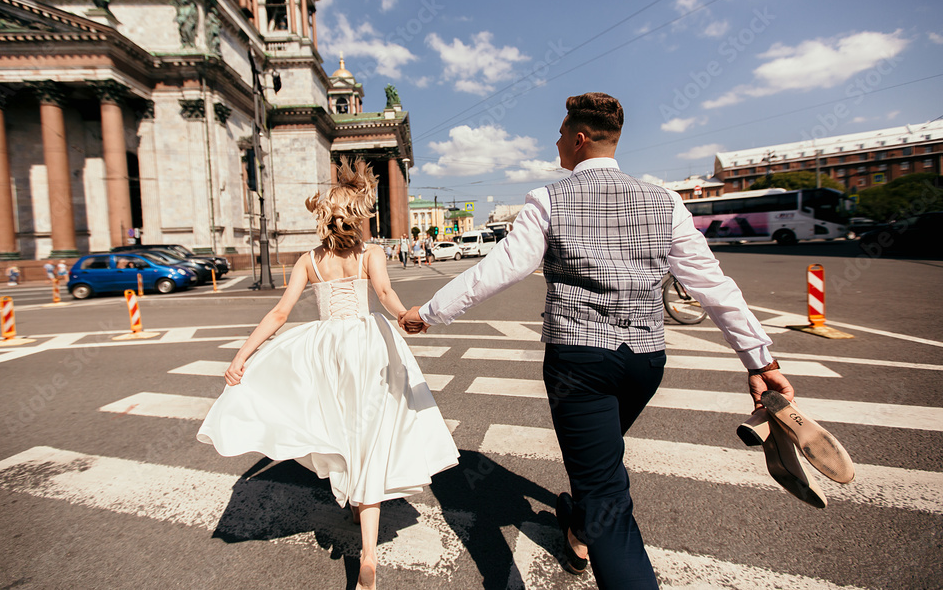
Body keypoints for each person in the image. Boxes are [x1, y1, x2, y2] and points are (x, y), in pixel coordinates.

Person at [401, 93, 794, 589]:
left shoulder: (549, 199)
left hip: (578, 364)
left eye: (562, 133)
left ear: (580, 138)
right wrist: (760, 360)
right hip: (645, 361)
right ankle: (578, 527)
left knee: (607, 494)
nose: (557, 141)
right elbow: (711, 284)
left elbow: (498, 270)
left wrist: (430, 313)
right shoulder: (664, 201)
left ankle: (596, 532)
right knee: (599, 465)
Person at [197, 159, 458, 590]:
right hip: (367, 345)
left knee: (338, 428)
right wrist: (406, 318)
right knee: (370, 435)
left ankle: (355, 500)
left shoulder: (308, 261)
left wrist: (242, 356)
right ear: (355, 217)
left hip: (323, 351)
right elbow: (385, 294)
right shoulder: (369, 254)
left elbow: (280, 314)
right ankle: (369, 555)